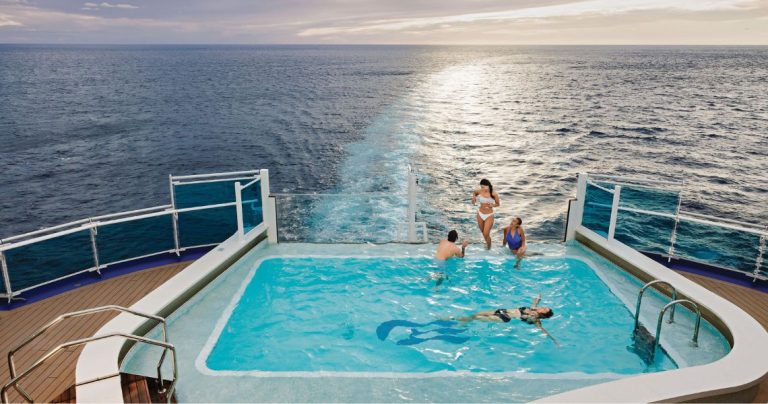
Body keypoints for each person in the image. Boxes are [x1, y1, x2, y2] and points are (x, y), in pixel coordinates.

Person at [454, 294, 559, 346]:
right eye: (545, 307)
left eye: (545, 309)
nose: (543, 307)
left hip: (504, 318)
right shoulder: (534, 308)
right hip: (502, 311)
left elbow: (542, 329)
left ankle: (458, 324)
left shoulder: (534, 318)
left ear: (542, 314)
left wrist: (553, 340)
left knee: (476, 318)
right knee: (476, 314)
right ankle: (461, 322)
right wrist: (538, 298)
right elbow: (535, 302)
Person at [471, 179, 500, 249]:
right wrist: (474, 197)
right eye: (481, 187)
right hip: (480, 214)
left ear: (488, 186)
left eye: (483, 187)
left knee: (486, 233)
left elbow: (498, 204)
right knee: (483, 232)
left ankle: (489, 248)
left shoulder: (493, 194)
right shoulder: (480, 191)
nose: (482, 188)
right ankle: (487, 243)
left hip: (489, 215)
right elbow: (474, 192)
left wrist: (492, 205)